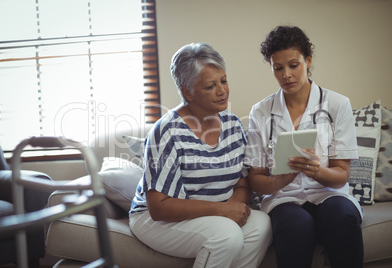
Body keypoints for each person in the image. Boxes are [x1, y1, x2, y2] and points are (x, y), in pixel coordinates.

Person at [129, 42, 272, 268]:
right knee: (226, 235)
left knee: (262, 224)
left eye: (224, 81)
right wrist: (221, 211)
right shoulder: (166, 131)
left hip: (213, 214)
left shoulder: (233, 125)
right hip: (157, 219)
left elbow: (243, 184)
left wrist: (232, 209)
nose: (222, 90)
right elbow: (159, 207)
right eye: (210, 86)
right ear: (188, 92)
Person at [244, 26, 364, 268]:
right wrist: (280, 181)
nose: (286, 75)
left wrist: (317, 171)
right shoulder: (261, 111)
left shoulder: (337, 105)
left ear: (308, 61)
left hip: (329, 193)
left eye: (293, 65)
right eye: (278, 68)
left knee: (340, 216)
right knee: (296, 225)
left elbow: (341, 175)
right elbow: (255, 178)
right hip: (283, 199)